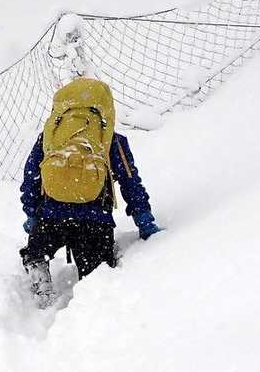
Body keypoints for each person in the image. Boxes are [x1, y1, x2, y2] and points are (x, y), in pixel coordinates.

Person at [19, 77, 161, 302]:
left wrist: (32, 214)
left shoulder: (50, 136)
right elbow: (130, 181)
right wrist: (144, 219)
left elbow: (31, 178)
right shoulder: (110, 140)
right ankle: (90, 295)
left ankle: (39, 272)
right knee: (96, 275)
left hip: (51, 218)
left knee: (37, 249)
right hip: (95, 221)